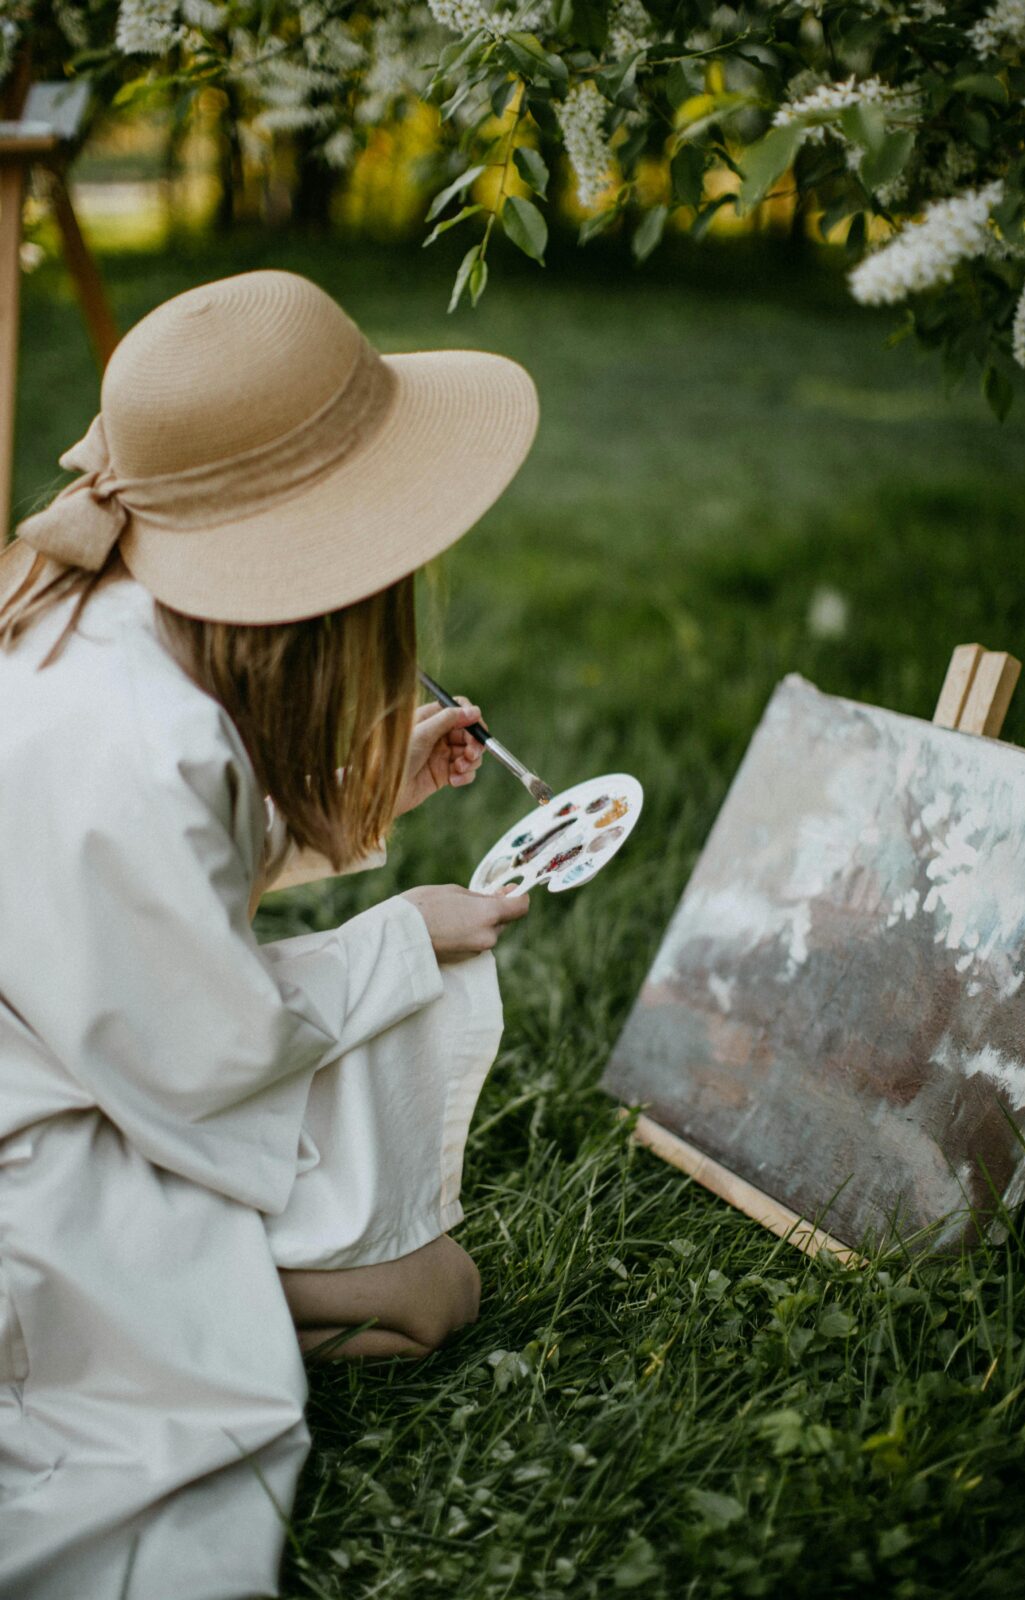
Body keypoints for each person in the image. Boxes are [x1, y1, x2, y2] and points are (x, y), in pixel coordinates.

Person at [0, 269, 538, 1600]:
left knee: (429, 1287)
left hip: (83, 1056)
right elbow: (202, 1056)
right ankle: (98, 1324)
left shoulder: (104, 614)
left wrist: (359, 795)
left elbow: (157, 896)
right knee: (431, 1300)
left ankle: (181, 1295)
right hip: (52, 1139)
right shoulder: (135, 739)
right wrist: (403, 939)